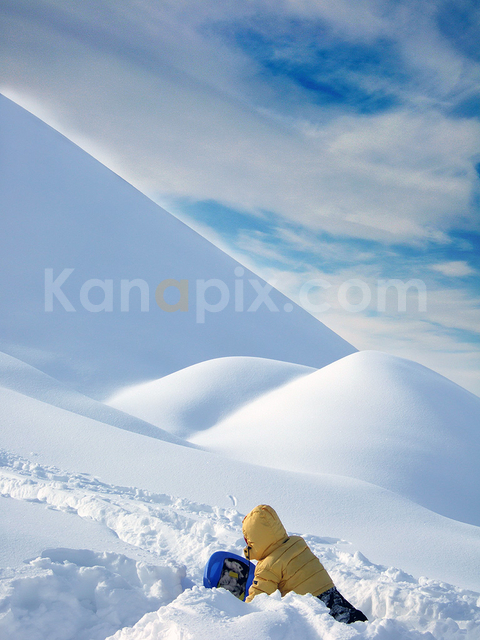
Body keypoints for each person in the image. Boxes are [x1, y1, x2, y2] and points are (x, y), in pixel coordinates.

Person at [242, 504, 368, 624]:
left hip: (312, 604)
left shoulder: (268, 565)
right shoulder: (297, 543)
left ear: (255, 541)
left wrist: (242, 612)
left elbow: (258, 600)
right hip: (330, 591)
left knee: (332, 628)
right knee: (353, 621)